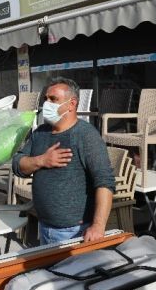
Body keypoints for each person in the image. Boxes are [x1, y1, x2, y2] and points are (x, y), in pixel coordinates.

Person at [12, 77, 115, 245]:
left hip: (74, 233)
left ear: (72, 104)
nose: (47, 104)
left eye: (53, 99)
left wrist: (98, 225)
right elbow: (17, 164)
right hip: (44, 226)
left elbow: (105, 181)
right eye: (46, 99)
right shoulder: (40, 133)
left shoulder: (85, 135)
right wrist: (41, 160)